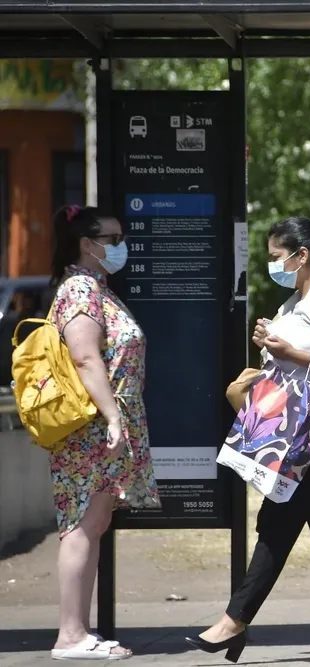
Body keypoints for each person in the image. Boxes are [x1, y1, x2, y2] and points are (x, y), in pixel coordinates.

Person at [186, 217, 310, 663]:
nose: (273, 265)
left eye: (278, 257)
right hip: (298, 427)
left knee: (278, 522)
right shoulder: (300, 295)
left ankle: (233, 622)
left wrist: (287, 352)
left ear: (303, 255)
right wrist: (269, 342)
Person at [47, 205, 160, 660]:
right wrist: (114, 417)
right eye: (111, 239)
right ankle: (69, 636)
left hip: (107, 425)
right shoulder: (79, 288)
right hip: (93, 427)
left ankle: (79, 632)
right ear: (86, 244)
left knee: (93, 522)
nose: (120, 246)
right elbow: (85, 357)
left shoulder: (97, 288)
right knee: (80, 525)